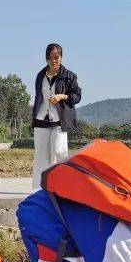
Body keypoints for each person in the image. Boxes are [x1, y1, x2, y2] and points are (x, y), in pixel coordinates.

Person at [30, 43, 81, 188]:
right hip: (41, 121)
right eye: (50, 58)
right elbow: (37, 98)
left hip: (59, 121)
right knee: (41, 156)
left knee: (60, 152)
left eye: (56, 57)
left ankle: (62, 186)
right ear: (47, 58)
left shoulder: (69, 76)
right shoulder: (40, 75)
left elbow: (77, 96)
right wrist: (33, 121)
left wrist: (62, 97)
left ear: (61, 58)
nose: (53, 61)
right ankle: (40, 188)